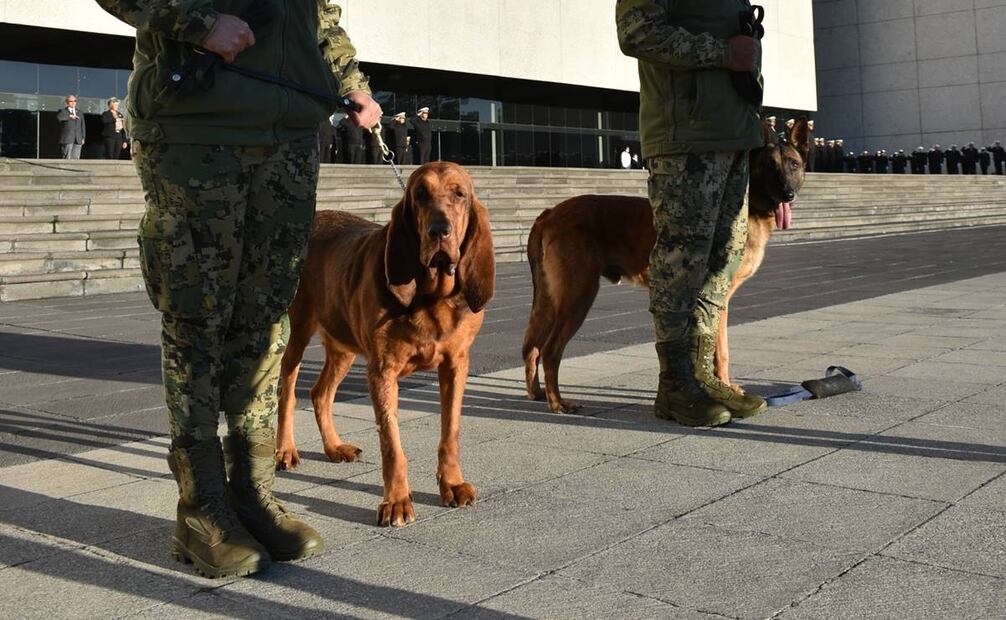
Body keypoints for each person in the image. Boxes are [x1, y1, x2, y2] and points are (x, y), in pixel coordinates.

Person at [94, 0, 382, 579]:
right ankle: (201, 510)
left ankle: (252, 491)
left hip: (289, 135)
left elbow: (320, 18)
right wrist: (199, 23)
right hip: (197, 127)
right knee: (196, 317)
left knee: (268, 316)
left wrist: (350, 82)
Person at [616, 0, 768, 427]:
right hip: (687, 137)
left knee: (724, 257)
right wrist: (723, 53)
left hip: (734, 133)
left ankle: (704, 377)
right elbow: (636, 31)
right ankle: (676, 385)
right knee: (681, 260)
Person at [56, 95, 86, 159]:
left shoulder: (80, 112)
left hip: (78, 139)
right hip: (67, 138)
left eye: (75, 101)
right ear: (67, 102)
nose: (73, 102)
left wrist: (83, 137)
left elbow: (82, 126)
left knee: (76, 158)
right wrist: (69, 116)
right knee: (67, 158)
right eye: (71, 101)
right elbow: (59, 118)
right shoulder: (63, 111)